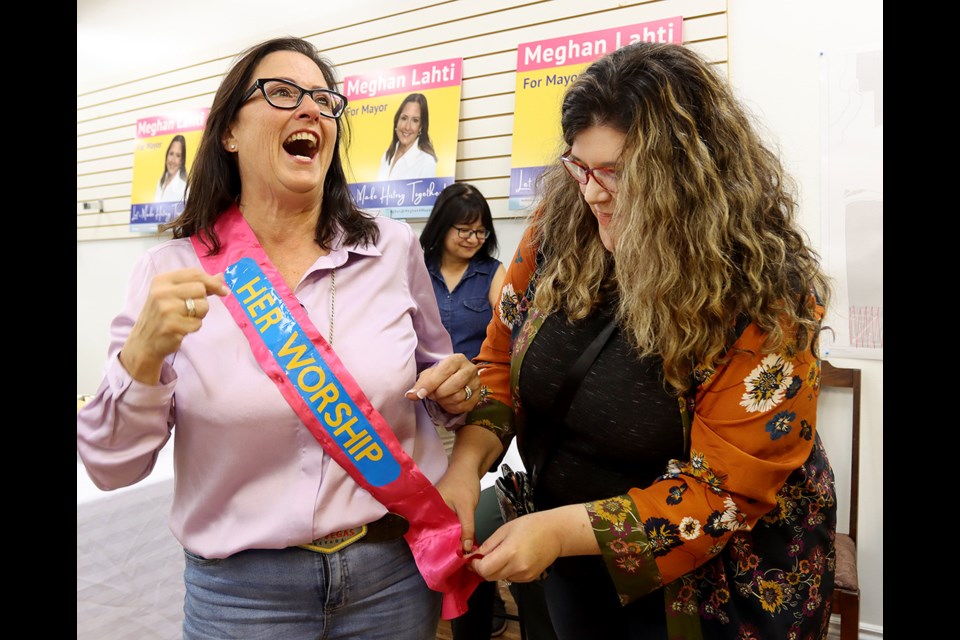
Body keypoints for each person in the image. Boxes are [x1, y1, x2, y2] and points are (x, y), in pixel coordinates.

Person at [77, 36, 483, 640]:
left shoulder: (392, 249)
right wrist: (141, 360)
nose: (311, 110)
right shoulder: (170, 272)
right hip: (241, 598)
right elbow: (111, 467)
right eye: (282, 93)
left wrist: (457, 389)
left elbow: (442, 383)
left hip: (392, 579)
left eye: (324, 99)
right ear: (228, 133)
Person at [439, 42, 837, 640]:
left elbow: (720, 495)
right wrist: (466, 465)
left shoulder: (765, 293)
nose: (594, 193)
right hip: (570, 558)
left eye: (620, 174)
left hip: (712, 592)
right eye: (581, 167)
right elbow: (499, 356)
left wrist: (556, 532)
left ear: (691, 177)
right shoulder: (557, 228)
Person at [378, 93, 438, 181]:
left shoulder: (426, 163)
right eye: (404, 118)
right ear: (397, 120)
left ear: (421, 126)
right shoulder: (387, 154)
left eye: (415, 120)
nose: (407, 127)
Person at [154, 134, 188, 202]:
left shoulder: (184, 188)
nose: (173, 160)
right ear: (166, 156)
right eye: (171, 153)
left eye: (178, 156)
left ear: (182, 161)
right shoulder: (160, 182)